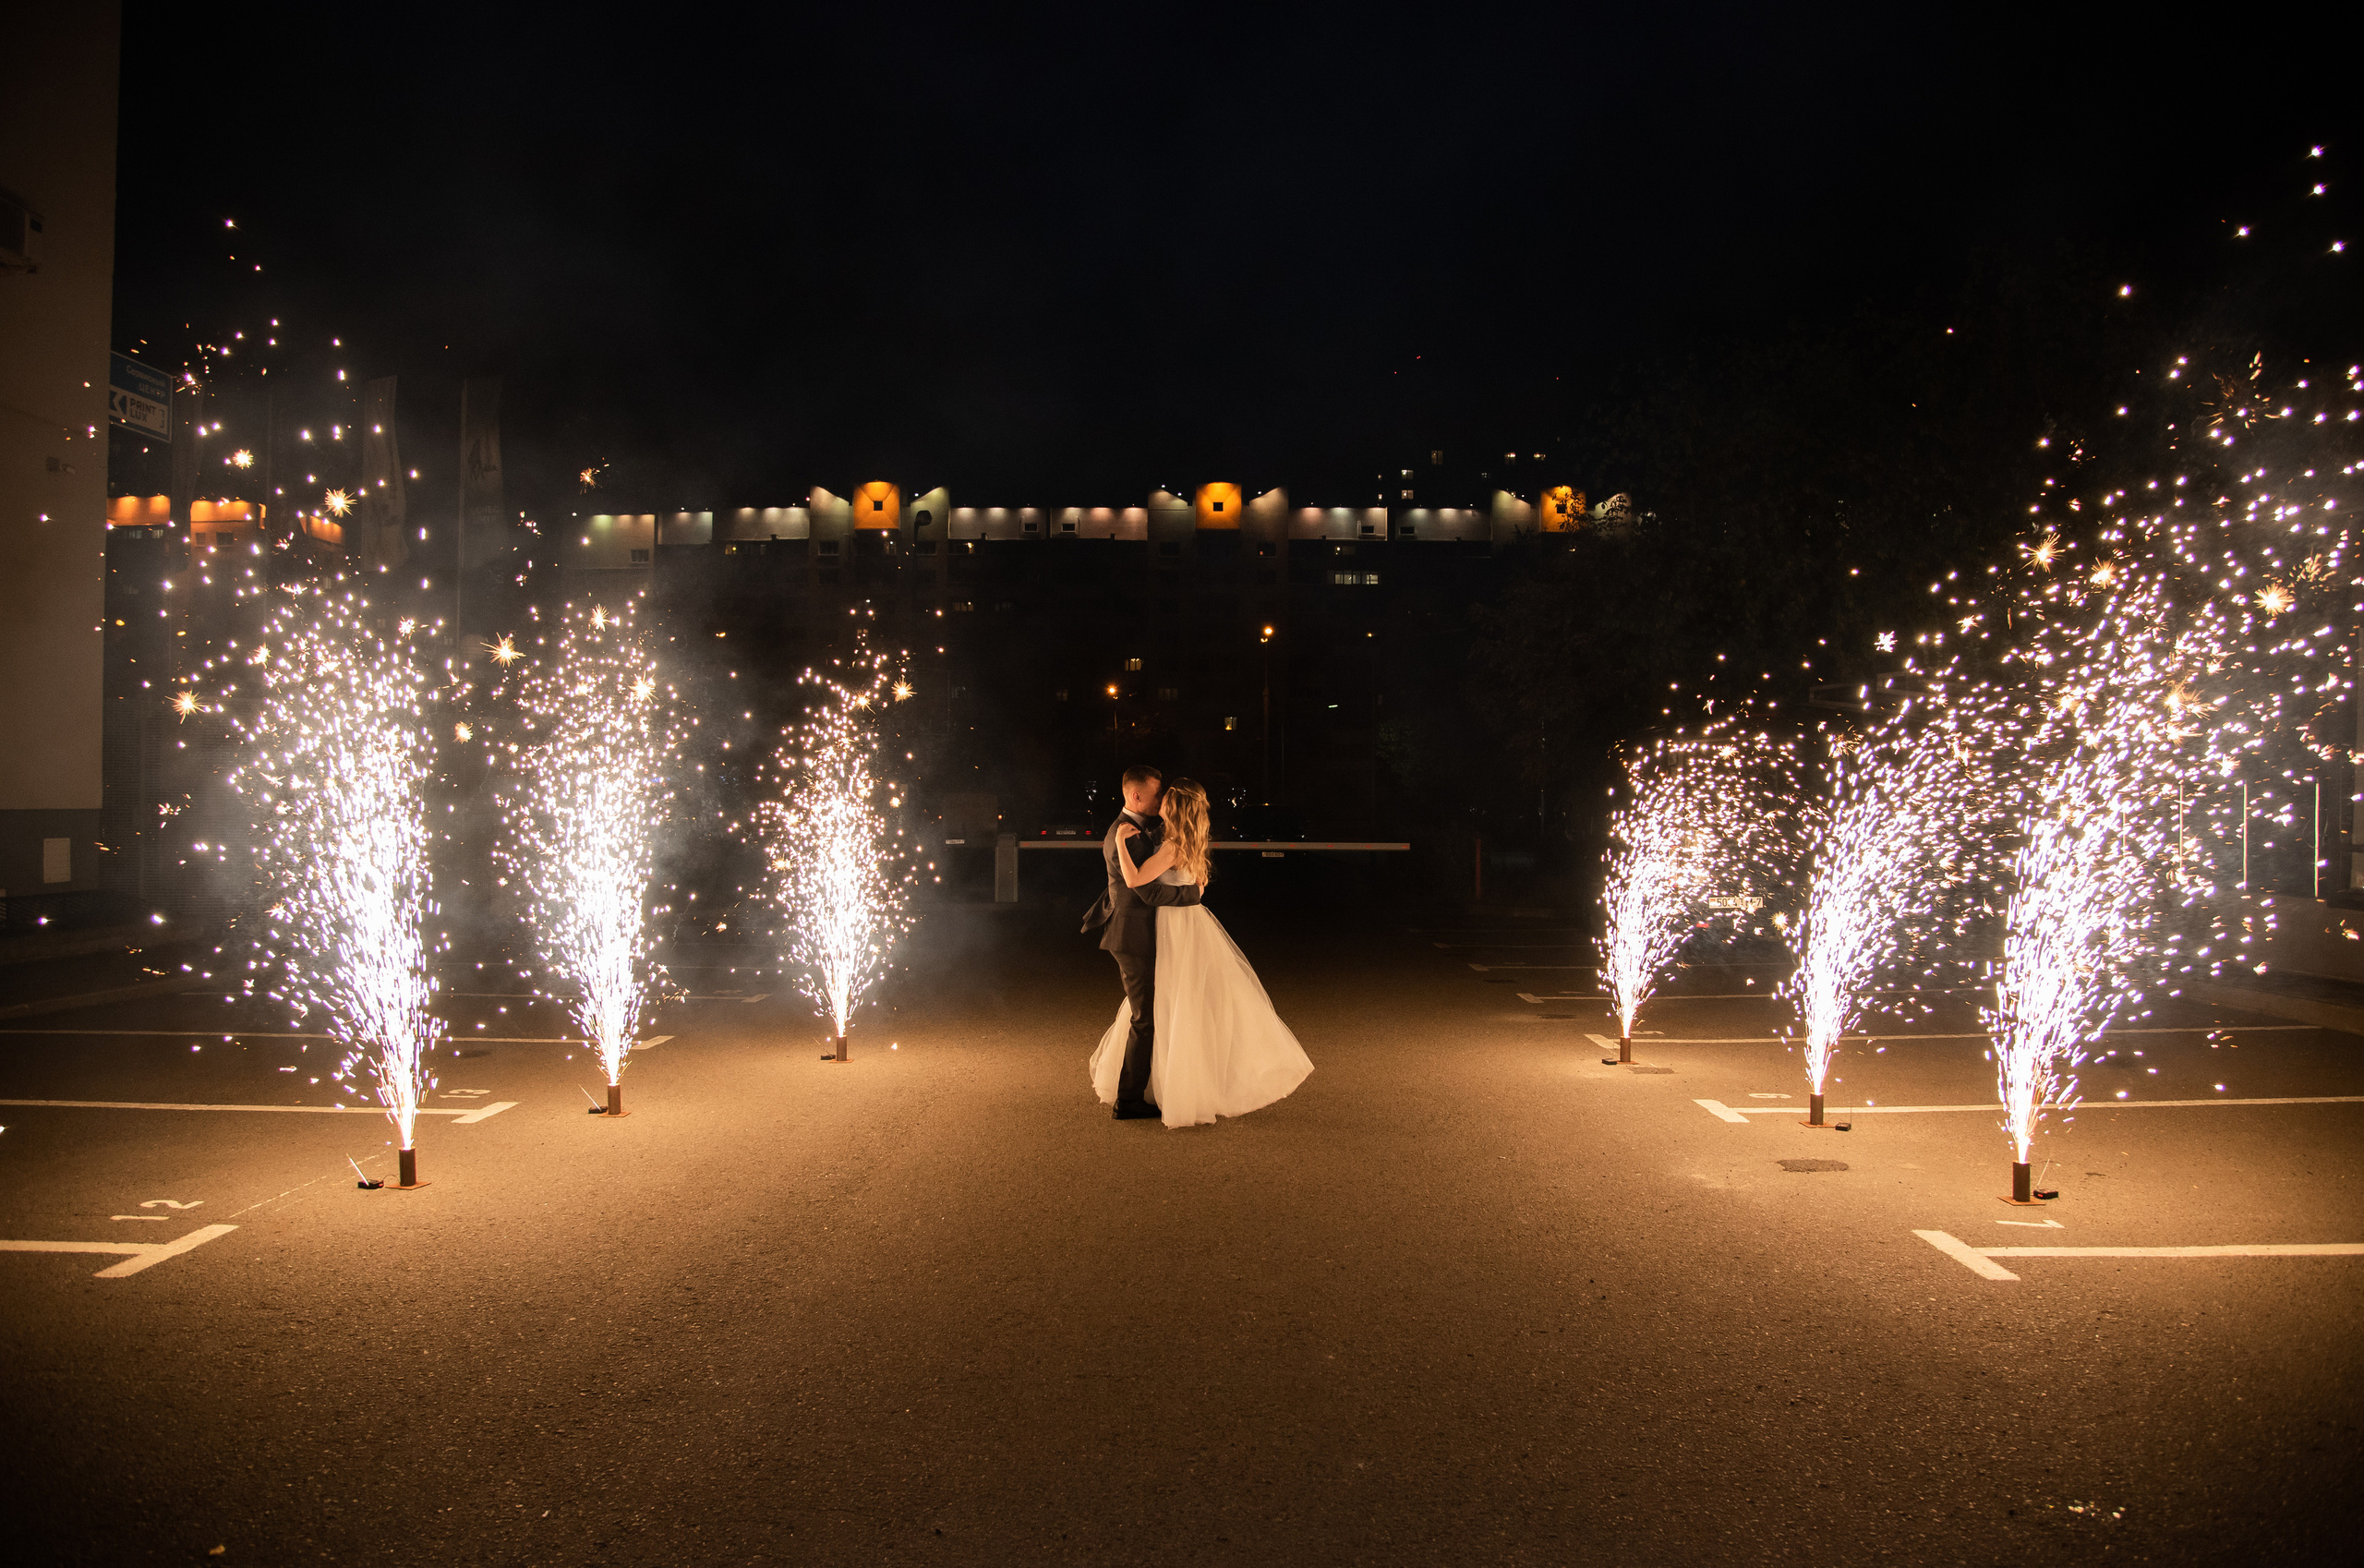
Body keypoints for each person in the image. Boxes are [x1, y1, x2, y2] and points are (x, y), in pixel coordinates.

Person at [1088, 777, 1313, 1128]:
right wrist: (1192, 892)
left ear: (1175, 808)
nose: (1160, 800)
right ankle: (1164, 1087)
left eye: (1165, 798)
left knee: (1169, 1006)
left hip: (1175, 929)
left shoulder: (1169, 845)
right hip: (1182, 925)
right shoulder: (1184, 840)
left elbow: (1137, 882)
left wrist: (1119, 841)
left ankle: (1151, 1092)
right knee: (1175, 1005)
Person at [1079, 766, 1205, 1119]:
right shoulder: (1124, 834)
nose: (1161, 798)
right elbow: (1146, 890)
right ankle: (1128, 1100)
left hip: (1143, 931)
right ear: (1136, 796)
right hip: (1132, 935)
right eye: (1156, 794)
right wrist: (1193, 894)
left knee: (1150, 1012)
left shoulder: (1142, 829)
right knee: (1144, 1018)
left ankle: (1145, 1088)